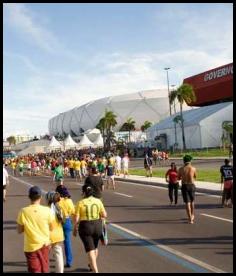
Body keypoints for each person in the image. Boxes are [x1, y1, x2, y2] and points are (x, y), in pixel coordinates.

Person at [16, 186, 54, 273]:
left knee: (34, 269)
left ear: (29, 197)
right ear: (40, 197)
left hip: (31, 246)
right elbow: (52, 227)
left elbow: (19, 230)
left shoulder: (23, 211)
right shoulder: (47, 210)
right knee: (44, 268)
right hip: (45, 244)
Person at [73, 185, 107, 273]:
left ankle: (95, 270)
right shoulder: (98, 201)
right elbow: (104, 215)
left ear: (84, 193)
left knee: (90, 250)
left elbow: (76, 218)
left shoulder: (80, 202)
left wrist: (75, 228)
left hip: (85, 226)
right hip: (97, 225)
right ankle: (92, 265)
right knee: (95, 247)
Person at [45, 191, 64, 273]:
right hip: (58, 234)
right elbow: (63, 221)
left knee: (45, 256)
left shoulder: (46, 210)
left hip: (48, 235)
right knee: (59, 255)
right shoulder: (59, 208)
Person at [56, 185, 75, 268]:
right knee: (67, 242)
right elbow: (73, 212)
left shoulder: (56, 201)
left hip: (57, 222)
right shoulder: (69, 201)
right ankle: (69, 261)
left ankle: (57, 258)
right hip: (67, 221)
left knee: (56, 243)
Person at [178, 155, 197, 224]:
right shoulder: (193, 168)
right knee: (192, 201)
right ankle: (192, 215)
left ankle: (190, 219)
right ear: (190, 161)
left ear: (184, 161)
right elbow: (195, 176)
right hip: (191, 185)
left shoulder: (181, 169)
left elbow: (178, 178)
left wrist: (183, 177)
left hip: (184, 185)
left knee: (187, 202)